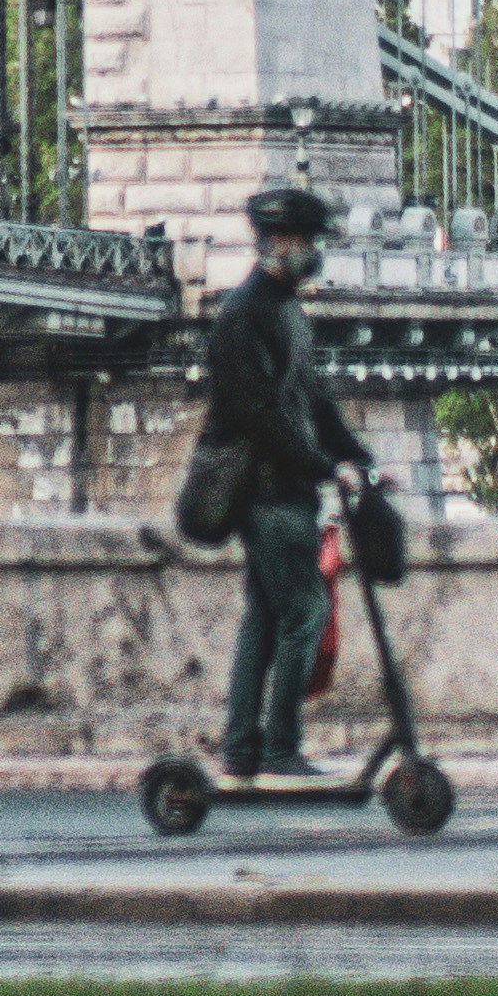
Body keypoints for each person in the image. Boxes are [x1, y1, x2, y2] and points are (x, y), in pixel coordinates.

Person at [202, 181, 373, 781]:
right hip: (268, 492)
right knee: (304, 610)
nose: (314, 252)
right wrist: (328, 467)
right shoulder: (244, 314)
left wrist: (361, 457)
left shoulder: (285, 311)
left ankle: (243, 751)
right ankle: (277, 750)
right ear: (276, 242)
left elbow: (313, 402)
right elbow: (260, 414)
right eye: (305, 240)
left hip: (286, 489)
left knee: (264, 617)